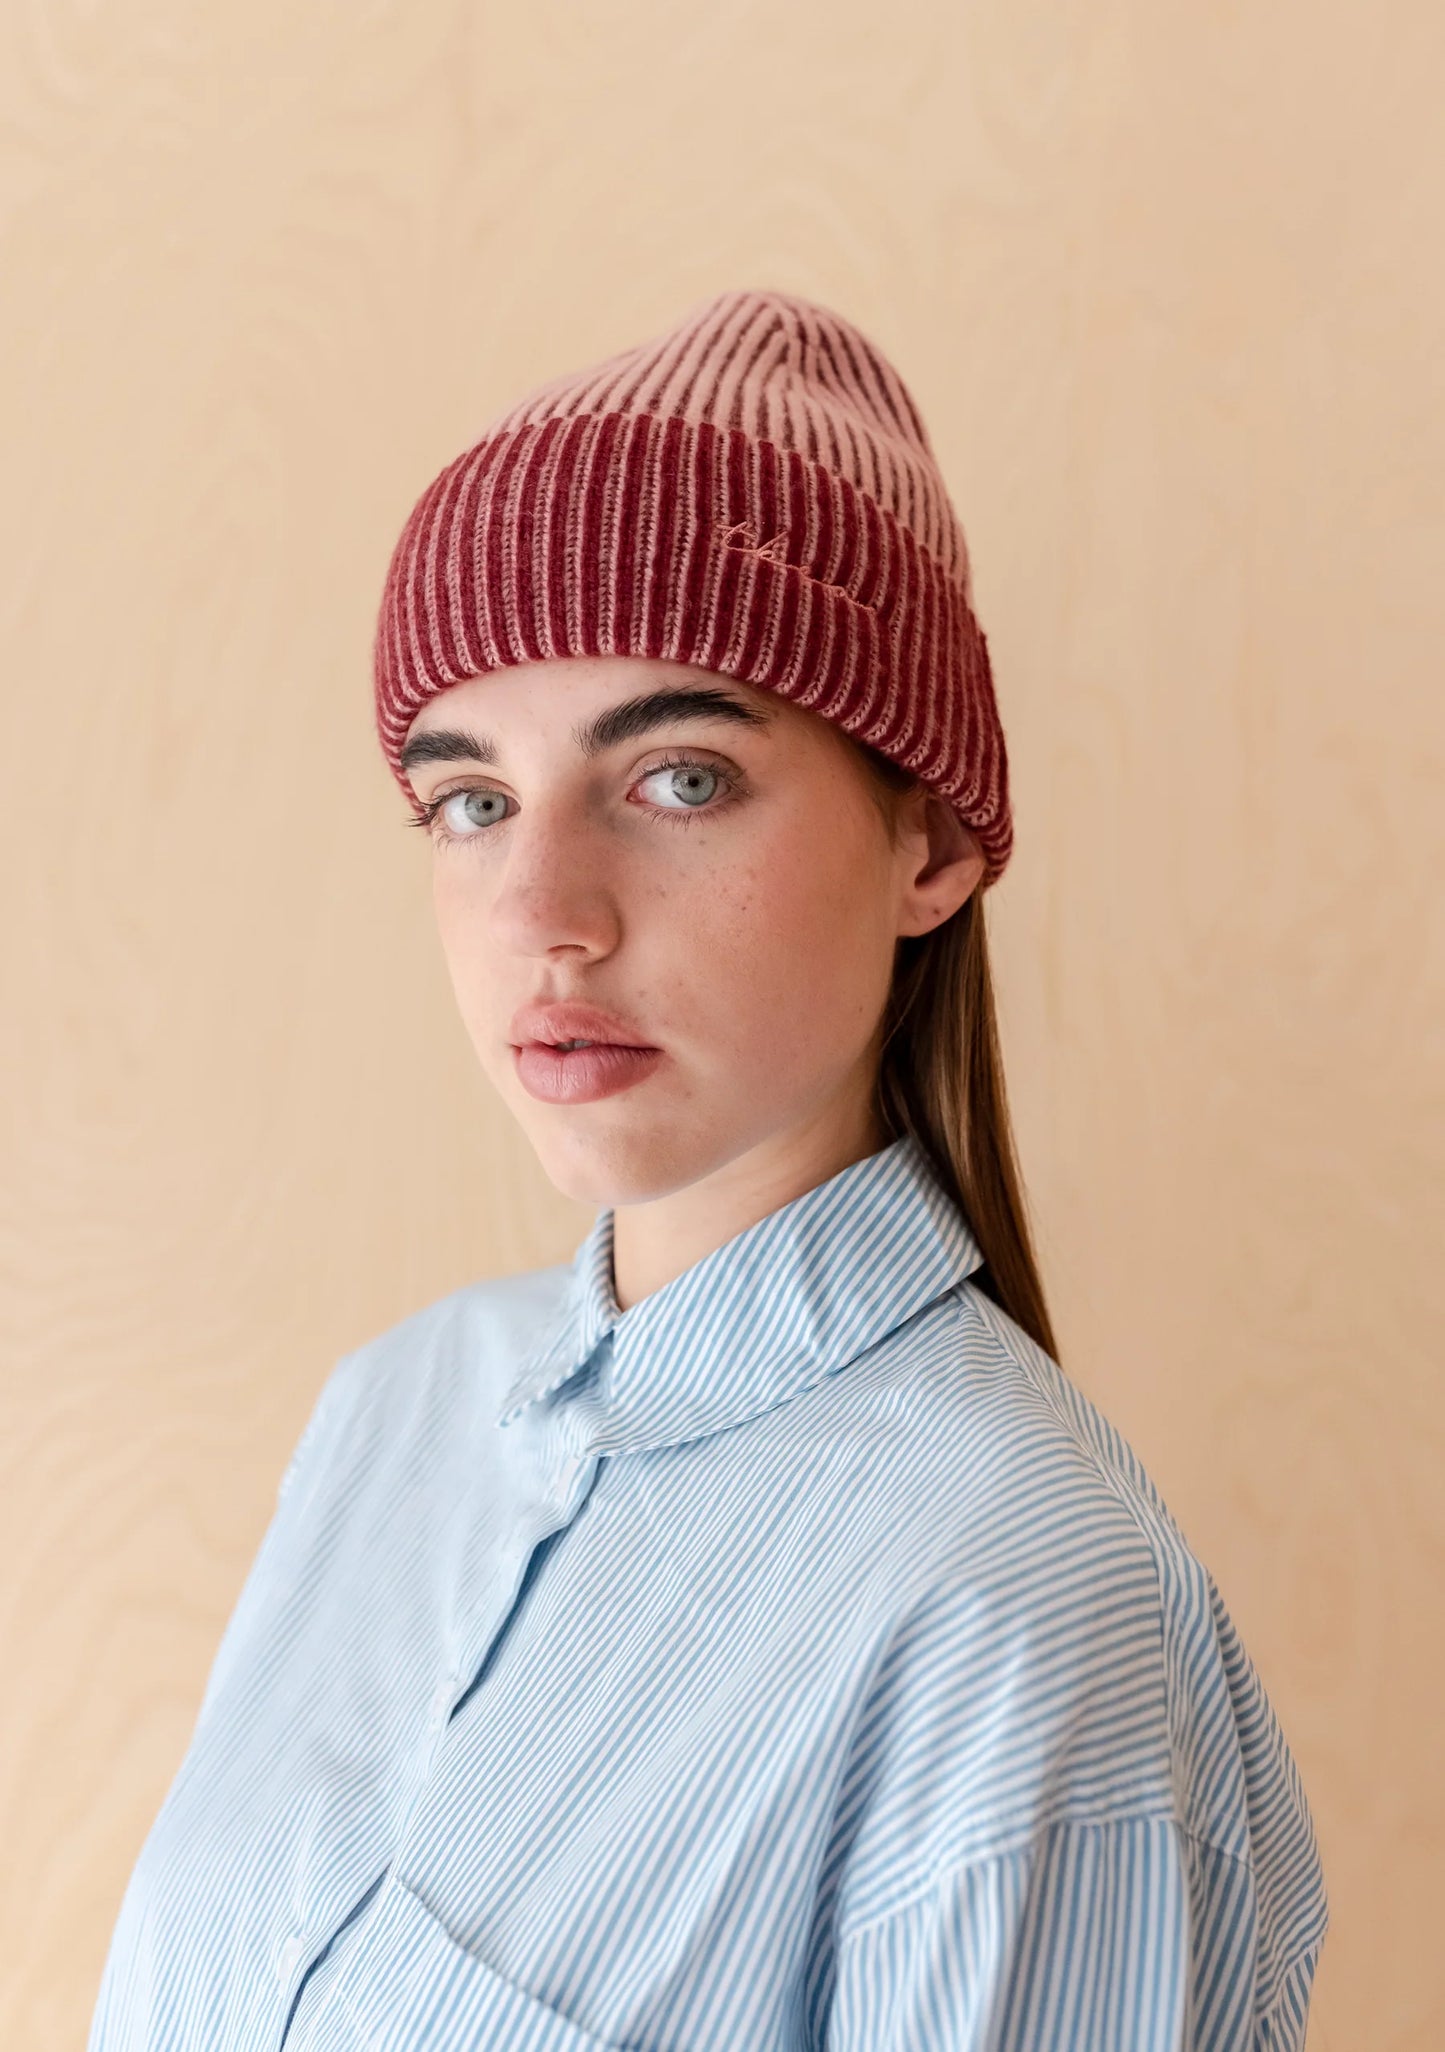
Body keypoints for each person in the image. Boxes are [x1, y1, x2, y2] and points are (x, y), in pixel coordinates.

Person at [86, 288, 1328, 2050]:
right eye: (469, 801)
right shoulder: (394, 1415)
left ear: (928, 841)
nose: (542, 918)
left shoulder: (1021, 1603)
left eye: (676, 778)